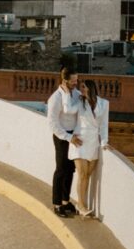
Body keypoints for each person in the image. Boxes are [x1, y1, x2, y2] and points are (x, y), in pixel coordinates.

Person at [69, 78, 109, 217]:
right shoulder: (79, 102)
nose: (82, 90)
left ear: (90, 88)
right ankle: (81, 205)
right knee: (82, 174)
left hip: (93, 142)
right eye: (81, 87)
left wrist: (104, 142)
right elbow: (68, 110)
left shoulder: (104, 103)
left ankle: (81, 204)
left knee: (87, 175)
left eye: (84, 87)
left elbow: (104, 125)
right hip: (80, 140)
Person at [47, 66, 82, 217]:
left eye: (76, 80)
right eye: (73, 81)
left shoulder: (77, 94)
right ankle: (57, 204)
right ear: (64, 80)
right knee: (61, 170)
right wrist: (68, 137)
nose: (76, 83)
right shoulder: (55, 98)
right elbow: (53, 124)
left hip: (74, 136)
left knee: (70, 169)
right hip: (62, 137)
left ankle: (65, 201)